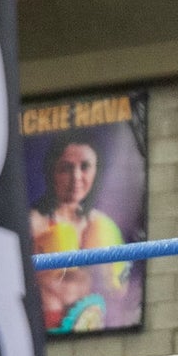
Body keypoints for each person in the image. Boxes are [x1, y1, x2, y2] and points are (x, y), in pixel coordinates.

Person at [29, 139, 126, 331]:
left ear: (96, 171)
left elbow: (121, 292)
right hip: (48, 326)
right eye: (66, 168)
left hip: (99, 326)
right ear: (52, 172)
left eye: (85, 167)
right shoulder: (33, 222)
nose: (76, 177)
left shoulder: (103, 224)